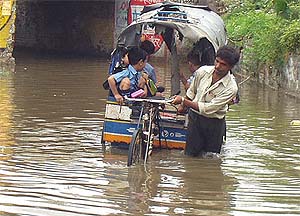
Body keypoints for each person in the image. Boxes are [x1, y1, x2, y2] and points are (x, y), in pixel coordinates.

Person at [172, 45, 240, 156]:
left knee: (211, 158)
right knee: (190, 155)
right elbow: (192, 91)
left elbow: (209, 109)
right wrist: (182, 107)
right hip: (195, 119)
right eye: (217, 61)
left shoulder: (231, 88)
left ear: (230, 67)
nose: (217, 66)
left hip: (214, 123)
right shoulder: (202, 71)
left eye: (223, 64)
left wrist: (184, 101)